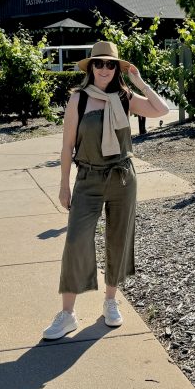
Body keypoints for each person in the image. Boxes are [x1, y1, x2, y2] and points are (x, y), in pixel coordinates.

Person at [42, 40, 170, 340]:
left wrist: (137, 79)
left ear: (117, 68)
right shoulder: (79, 100)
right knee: (75, 240)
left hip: (123, 178)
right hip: (88, 178)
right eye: (98, 64)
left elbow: (161, 109)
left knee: (118, 239)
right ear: (91, 68)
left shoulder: (125, 97)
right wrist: (63, 184)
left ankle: (111, 301)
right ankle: (68, 313)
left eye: (110, 64)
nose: (104, 69)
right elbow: (66, 147)